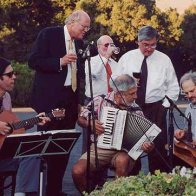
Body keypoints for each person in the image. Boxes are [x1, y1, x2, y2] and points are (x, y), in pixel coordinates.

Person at [28, 10, 91, 196]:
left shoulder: (80, 43)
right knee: (47, 148)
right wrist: (60, 61)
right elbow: (33, 61)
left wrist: (79, 102)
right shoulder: (49, 34)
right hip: (48, 102)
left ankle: (55, 190)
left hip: (69, 103)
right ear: (72, 22)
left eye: (88, 27)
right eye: (84, 26)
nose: (86, 30)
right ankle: (43, 190)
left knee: (63, 148)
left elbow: (79, 76)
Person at [72, 74, 154, 193]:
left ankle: (116, 193)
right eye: (132, 94)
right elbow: (80, 119)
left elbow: (145, 140)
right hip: (100, 148)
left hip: (124, 151)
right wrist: (90, 124)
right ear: (119, 93)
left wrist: (148, 146)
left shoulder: (135, 109)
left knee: (122, 161)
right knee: (77, 171)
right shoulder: (99, 101)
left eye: (136, 92)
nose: (136, 96)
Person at [118, 25, 180, 173]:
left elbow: (173, 87)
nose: (149, 49)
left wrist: (164, 107)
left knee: (158, 150)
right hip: (131, 107)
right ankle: (132, 184)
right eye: (146, 45)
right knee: (132, 149)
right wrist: (128, 81)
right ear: (138, 42)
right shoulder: (127, 58)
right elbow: (114, 81)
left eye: (153, 45)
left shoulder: (164, 60)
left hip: (156, 108)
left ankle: (159, 186)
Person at [0, 57, 50, 196]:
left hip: (4, 156)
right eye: (9, 75)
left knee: (33, 153)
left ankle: (20, 194)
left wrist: (34, 121)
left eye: (13, 73)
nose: (14, 77)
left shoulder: (6, 98)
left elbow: (10, 127)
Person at [174, 71, 196, 146]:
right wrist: (183, 133)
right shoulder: (189, 108)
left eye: (192, 91)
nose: (189, 96)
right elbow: (191, 131)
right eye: (186, 93)